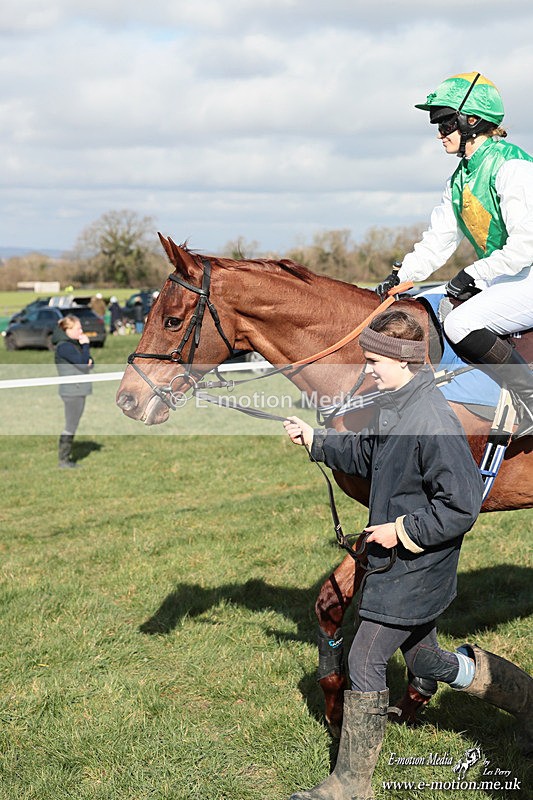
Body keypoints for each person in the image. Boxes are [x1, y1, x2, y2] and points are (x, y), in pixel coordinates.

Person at [283, 310, 532, 800]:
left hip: (417, 568)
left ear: (404, 361)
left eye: (375, 360)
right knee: (431, 662)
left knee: (365, 657)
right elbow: (366, 457)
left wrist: (401, 531)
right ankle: (530, 703)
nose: (369, 369)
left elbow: (461, 507)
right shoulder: (395, 406)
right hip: (397, 567)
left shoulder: (433, 419)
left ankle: (351, 784)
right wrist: (316, 441)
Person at [375, 71, 533, 438]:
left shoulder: (513, 166)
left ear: (471, 121)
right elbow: (438, 240)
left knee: (460, 323)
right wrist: (401, 278)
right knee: (421, 307)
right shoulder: (460, 178)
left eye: (444, 122)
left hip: (527, 271)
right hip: (512, 274)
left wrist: (472, 276)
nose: (439, 132)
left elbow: (526, 244)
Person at [52, 314, 94, 468]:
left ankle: (65, 457)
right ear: (68, 329)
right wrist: (86, 346)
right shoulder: (65, 346)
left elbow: (89, 361)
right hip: (71, 391)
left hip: (78, 389)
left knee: (73, 423)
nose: (81, 331)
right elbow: (84, 363)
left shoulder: (72, 344)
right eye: (78, 328)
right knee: (71, 424)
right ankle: (63, 459)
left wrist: (85, 358)